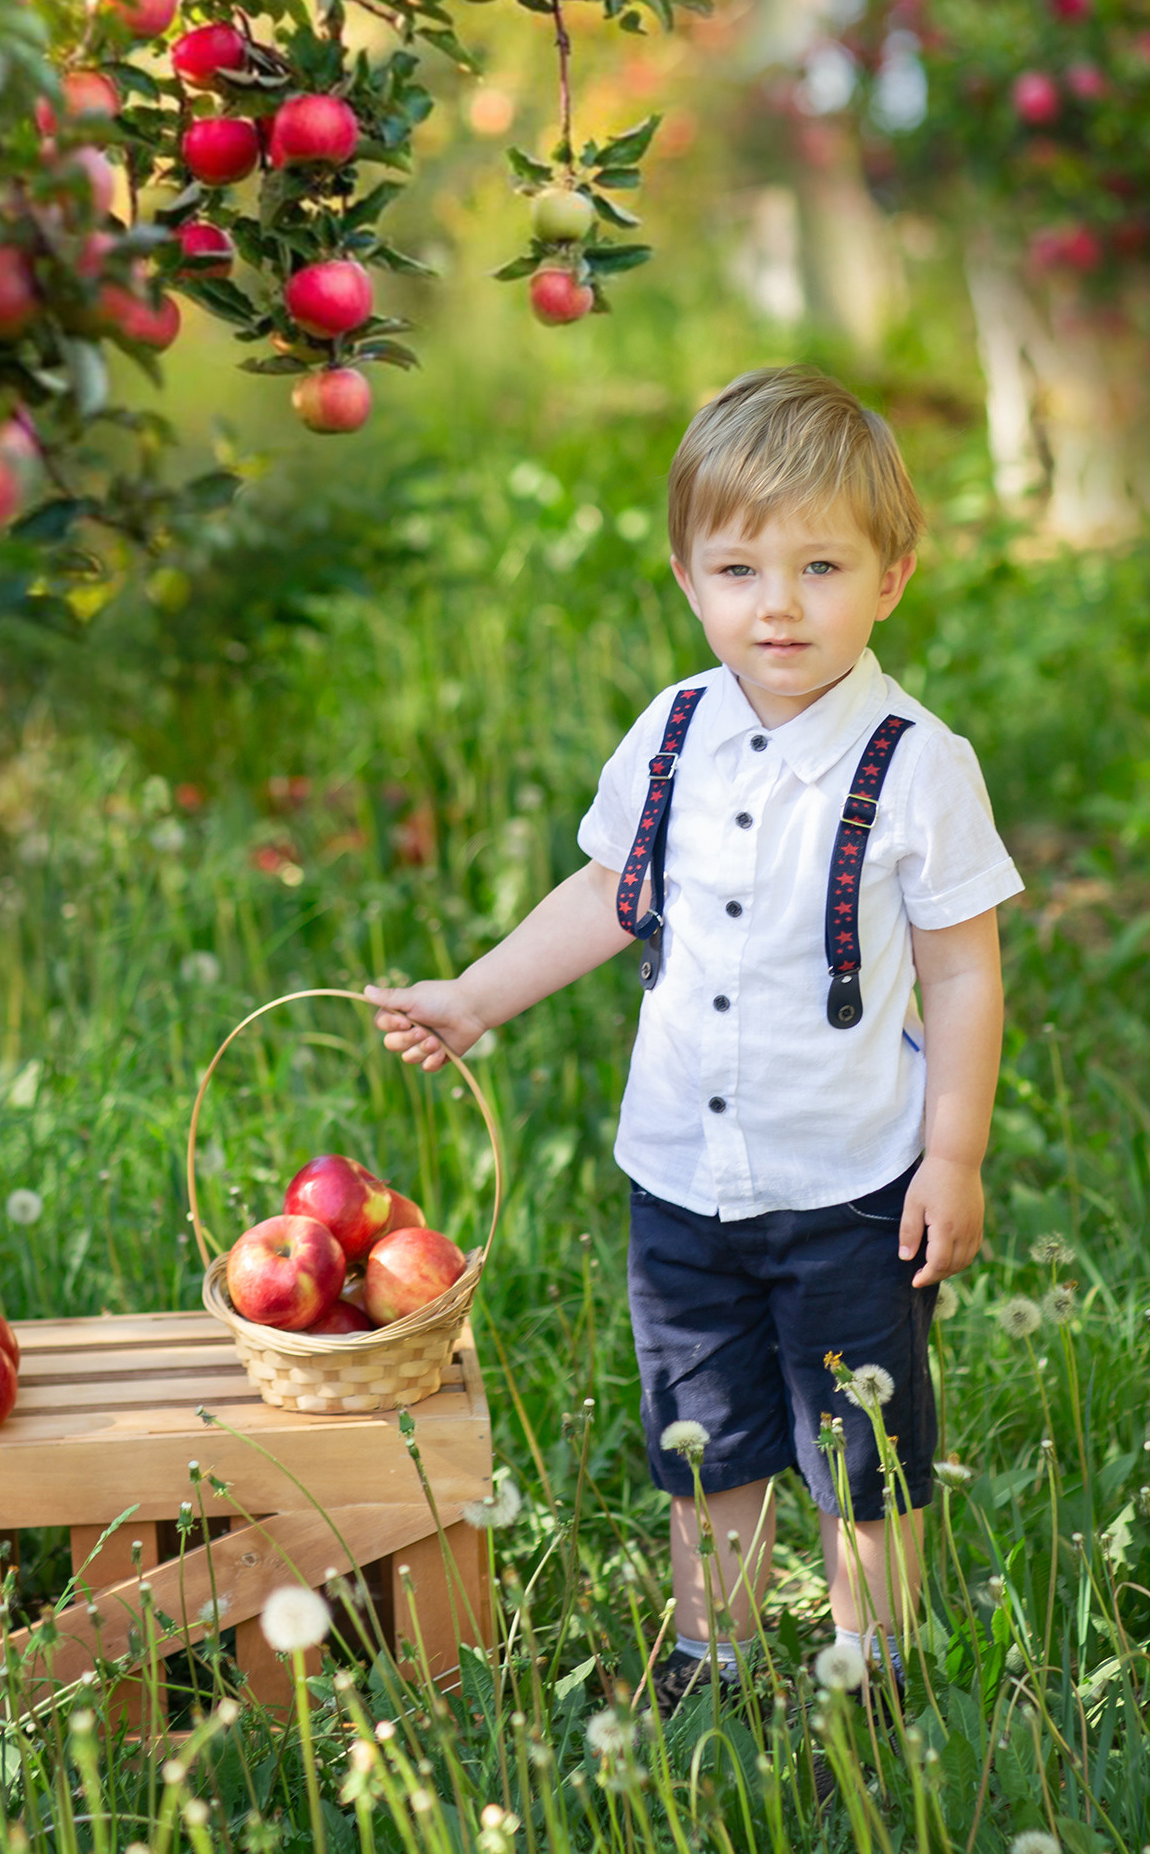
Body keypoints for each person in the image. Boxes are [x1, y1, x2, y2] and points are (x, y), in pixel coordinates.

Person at [363, 365, 1022, 1725]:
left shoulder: (914, 763)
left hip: (846, 1184)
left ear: (889, 578)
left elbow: (960, 969)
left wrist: (948, 1153)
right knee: (702, 1433)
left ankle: (870, 1667)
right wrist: (477, 997)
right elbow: (612, 892)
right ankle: (710, 1651)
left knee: (861, 1446)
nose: (776, 603)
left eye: (819, 566)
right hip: (679, 1175)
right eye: (737, 567)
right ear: (686, 577)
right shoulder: (670, 734)